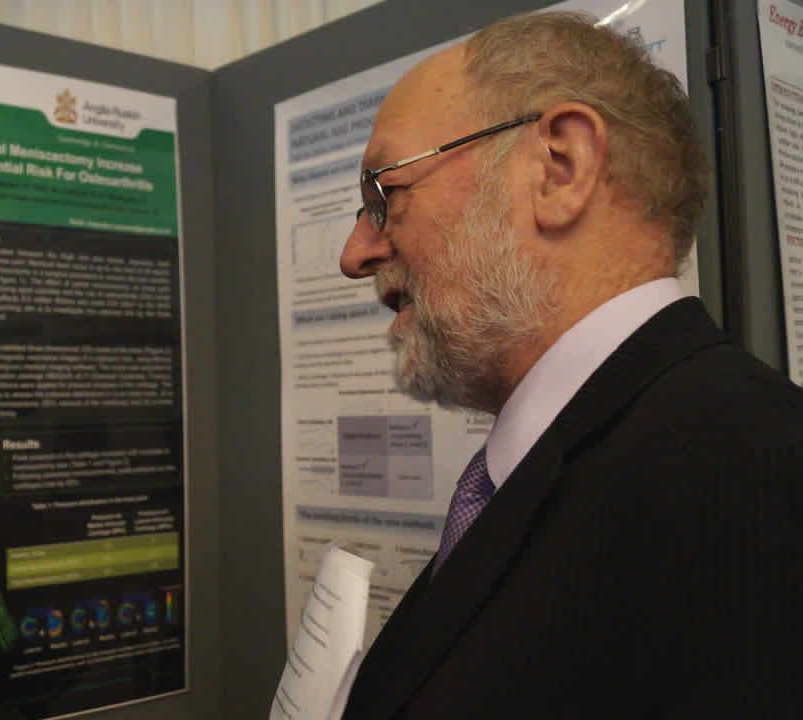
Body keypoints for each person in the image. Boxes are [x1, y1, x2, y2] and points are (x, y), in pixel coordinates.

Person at [337, 11, 803, 718]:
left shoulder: (762, 482)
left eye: (385, 195)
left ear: (561, 168)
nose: (355, 255)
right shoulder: (580, 456)